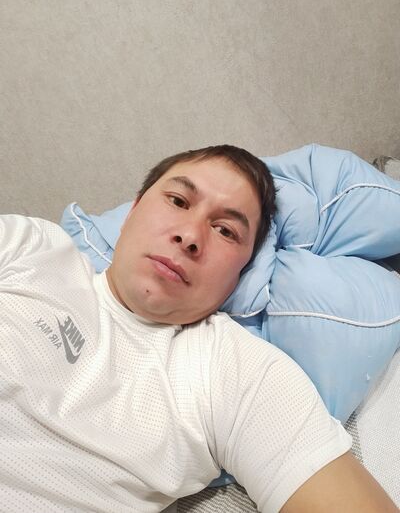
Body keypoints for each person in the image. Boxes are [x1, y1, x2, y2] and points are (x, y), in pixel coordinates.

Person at [0, 145, 397, 513]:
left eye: (226, 231)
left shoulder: (235, 373)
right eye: (178, 201)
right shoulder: (32, 248)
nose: (189, 236)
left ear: (240, 274)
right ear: (133, 210)